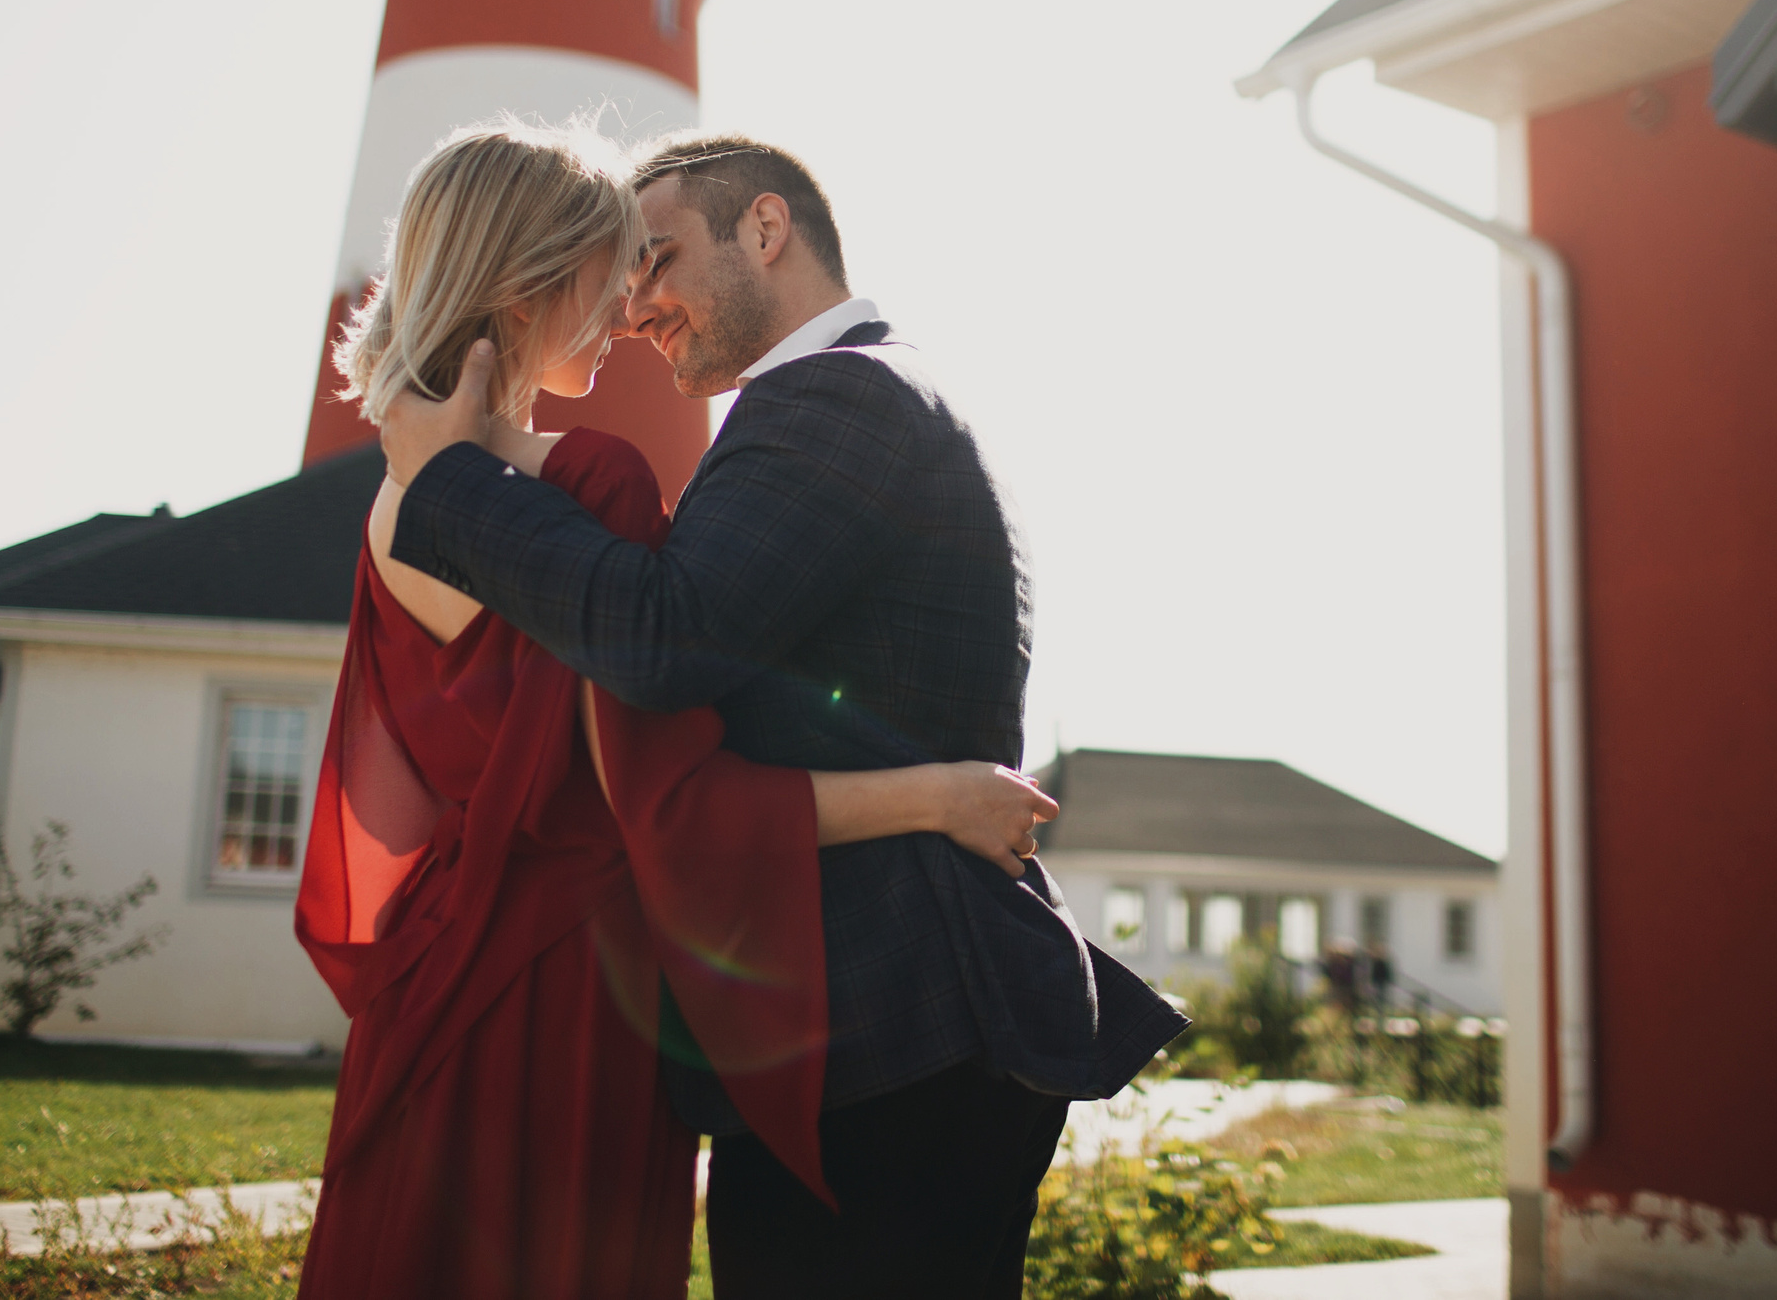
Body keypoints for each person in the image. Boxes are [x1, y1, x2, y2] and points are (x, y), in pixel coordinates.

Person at [380, 133, 1188, 1300]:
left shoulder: (834, 399)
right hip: (885, 1021)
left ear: (765, 230)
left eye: (655, 260)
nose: (634, 301)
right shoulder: (857, 393)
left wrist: (449, 481)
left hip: (893, 1015)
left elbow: (669, 636)